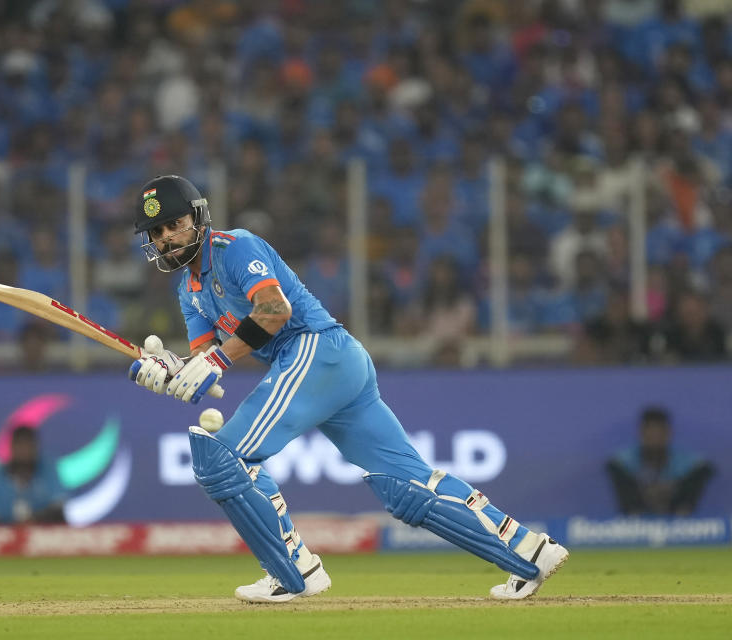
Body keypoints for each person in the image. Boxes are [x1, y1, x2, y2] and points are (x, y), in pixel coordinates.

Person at [126, 175, 569, 603]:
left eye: (173, 224)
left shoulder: (235, 246)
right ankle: (529, 551)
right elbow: (209, 364)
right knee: (404, 486)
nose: (166, 237)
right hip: (333, 365)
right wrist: (172, 372)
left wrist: (211, 361)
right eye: (157, 231)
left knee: (224, 459)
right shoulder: (190, 290)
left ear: (198, 217)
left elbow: (274, 310)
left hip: (315, 350)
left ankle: (293, 570)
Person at [606, 407, 714, 516]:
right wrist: (647, 491)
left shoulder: (689, 462)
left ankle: (682, 519)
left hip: (677, 513)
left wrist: (671, 487)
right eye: (650, 432)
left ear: (669, 433)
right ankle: (635, 517)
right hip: (637, 514)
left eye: (659, 432)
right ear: (641, 433)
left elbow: (702, 468)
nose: (655, 438)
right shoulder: (623, 462)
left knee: (699, 475)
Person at [0, 425, 67, 524]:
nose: (24, 451)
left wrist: (33, 520)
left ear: (36, 447)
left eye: (28, 445)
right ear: (12, 447)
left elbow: (58, 509)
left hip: (43, 532)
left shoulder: (49, 470)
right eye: (20, 445)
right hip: (6, 535)